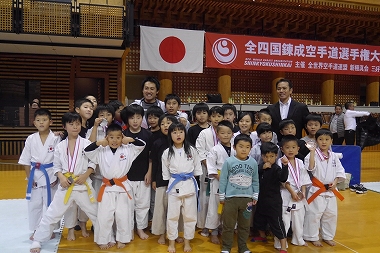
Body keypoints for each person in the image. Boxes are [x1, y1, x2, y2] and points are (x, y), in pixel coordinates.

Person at [30, 112, 98, 253]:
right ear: (64, 126)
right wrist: (61, 177)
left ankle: (106, 236)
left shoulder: (87, 143)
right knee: (52, 214)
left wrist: (86, 175)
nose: (75, 127)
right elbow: (57, 166)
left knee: (96, 212)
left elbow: (94, 162)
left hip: (82, 185)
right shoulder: (60, 146)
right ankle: (38, 239)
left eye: (77, 124)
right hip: (66, 186)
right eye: (71, 124)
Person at [84, 123, 146, 249]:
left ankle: (122, 238)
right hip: (107, 187)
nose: (115, 140)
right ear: (107, 138)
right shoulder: (101, 150)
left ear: (122, 137)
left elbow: (142, 145)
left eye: (118, 137)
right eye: (111, 137)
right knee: (105, 215)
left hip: (123, 186)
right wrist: (98, 143)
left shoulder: (128, 149)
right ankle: (104, 239)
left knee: (123, 215)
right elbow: (87, 151)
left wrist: (131, 139)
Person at [19, 109, 61, 240]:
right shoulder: (31, 139)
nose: (41, 122)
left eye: (44, 120)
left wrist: (57, 177)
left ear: (51, 122)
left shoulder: (56, 138)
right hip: (35, 175)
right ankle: (37, 229)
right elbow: (26, 160)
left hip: (51, 175)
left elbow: (59, 159)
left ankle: (50, 229)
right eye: (38, 120)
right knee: (34, 204)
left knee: (51, 204)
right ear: (34, 123)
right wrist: (29, 178)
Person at [162, 123, 203, 253]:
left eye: (180, 131)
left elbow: (197, 170)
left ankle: (187, 241)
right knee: (172, 216)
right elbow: (166, 174)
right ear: (170, 135)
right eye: (174, 132)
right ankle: (172, 242)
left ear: (185, 133)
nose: (178, 134)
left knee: (190, 217)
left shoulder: (192, 150)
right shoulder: (167, 153)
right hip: (174, 186)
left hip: (189, 186)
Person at [304, 129, 346, 247]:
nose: (324, 142)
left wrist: (336, 182)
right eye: (321, 139)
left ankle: (327, 236)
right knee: (314, 214)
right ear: (316, 141)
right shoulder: (312, 154)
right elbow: (310, 168)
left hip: (331, 190)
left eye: (327, 139)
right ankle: (311, 236)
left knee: (331, 214)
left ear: (331, 141)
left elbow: (340, 171)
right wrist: (312, 152)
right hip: (317, 189)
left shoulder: (334, 156)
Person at [219, 134, 259, 253]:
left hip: (247, 200)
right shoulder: (229, 161)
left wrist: (255, 194)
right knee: (228, 225)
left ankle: (243, 247)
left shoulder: (253, 163)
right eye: (241, 146)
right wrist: (222, 195)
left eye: (247, 147)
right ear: (234, 147)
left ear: (250, 148)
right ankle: (226, 247)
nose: (244, 149)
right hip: (231, 198)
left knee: (245, 226)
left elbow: (255, 180)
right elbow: (223, 179)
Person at [120, 104, 153, 240]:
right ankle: (128, 229)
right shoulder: (122, 135)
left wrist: (149, 172)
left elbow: (151, 156)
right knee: (127, 205)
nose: (135, 121)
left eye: (138, 117)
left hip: (143, 174)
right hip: (126, 176)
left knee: (143, 204)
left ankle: (140, 228)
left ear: (142, 119)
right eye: (132, 117)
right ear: (127, 119)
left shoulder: (148, 134)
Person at [64, 98, 94, 239]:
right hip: (69, 176)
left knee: (86, 203)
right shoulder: (65, 136)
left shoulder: (89, 127)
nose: (75, 127)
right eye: (86, 106)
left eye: (91, 107)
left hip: (84, 175)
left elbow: (93, 152)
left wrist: (86, 174)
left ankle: (83, 225)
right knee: (70, 204)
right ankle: (70, 228)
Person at [275, 135, 311, 249]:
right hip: (286, 193)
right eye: (287, 147)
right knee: (284, 221)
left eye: (293, 147)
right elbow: (283, 180)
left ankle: (298, 239)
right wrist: (292, 192)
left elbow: (304, 179)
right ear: (282, 149)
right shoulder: (280, 162)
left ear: (298, 149)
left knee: (299, 219)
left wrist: (303, 192)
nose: (290, 150)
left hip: (299, 194)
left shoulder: (300, 162)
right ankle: (280, 242)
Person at [252, 142, 288, 253]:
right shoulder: (259, 167)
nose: (268, 159)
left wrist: (285, 166)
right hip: (261, 199)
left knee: (277, 222)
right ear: (262, 156)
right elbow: (254, 174)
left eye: (271, 156)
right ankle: (262, 236)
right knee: (259, 218)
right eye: (266, 156)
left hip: (273, 201)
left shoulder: (277, 168)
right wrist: (262, 167)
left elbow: (283, 178)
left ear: (276, 156)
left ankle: (283, 246)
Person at [205, 120, 235, 244]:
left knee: (229, 208)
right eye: (222, 133)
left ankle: (226, 229)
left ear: (232, 134)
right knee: (215, 207)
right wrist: (222, 178)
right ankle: (214, 232)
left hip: (233, 182)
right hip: (218, 182)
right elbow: (211, 168)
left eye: (228, 133)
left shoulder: (235, 148)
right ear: (217, 134)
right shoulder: (214, 149)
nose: (226, 135)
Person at [195, 106, 224, 236]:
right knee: (206, 198)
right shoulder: (204, 133)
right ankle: (205, 225)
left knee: (220, 199)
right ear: (209, 118)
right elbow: (200, 152)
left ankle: (221, 225)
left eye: (219, 116)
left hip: (223, 173)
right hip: (207, 170)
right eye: (213, 116)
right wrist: (210, 168)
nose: (216, 119)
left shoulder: (228, 133)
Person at [150, 115, 179, 244]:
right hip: (162, 180)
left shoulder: (180, 142)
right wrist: (154, 180)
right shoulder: (158, 143)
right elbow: (155, 162)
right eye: (162, 124)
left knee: (176, 209)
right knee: (161, 209)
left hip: (178, 181)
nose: (166, 126)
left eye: (169, 123)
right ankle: (162, 233)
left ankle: (175, 233)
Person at [85, 103, 115, 195]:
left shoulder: (116, 130)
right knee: (96, 198)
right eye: (102, 115)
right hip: (96, 171)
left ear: (113, 118)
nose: (105, 117)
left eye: (108, 115)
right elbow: (89, 145)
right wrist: (95, 126)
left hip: (112, 171)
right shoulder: (92, 129)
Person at [145, 105, 165, 220]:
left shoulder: (162, 135)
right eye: (150, 117)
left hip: (156, 169)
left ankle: (154, 220)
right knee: (146, 198)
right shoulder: (146, 133)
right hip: (145, 167)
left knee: (155, 198)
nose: (152, 120)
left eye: (155, 118)